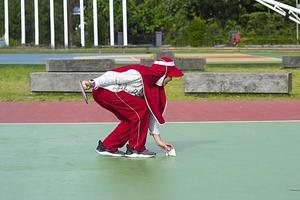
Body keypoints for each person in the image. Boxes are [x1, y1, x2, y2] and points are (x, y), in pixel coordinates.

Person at [81, 56, 184, 158]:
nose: (171, 79)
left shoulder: (153, 87)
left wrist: (158, 140)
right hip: (105, 92)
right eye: (170, 75)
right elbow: (113, 76)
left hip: (107, 95)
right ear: (163, 74)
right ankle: (136, 149)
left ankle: (107, 146)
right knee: (141, 109)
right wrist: (93, 83)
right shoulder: (141, 74)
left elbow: (149, 114)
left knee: (133, 119)